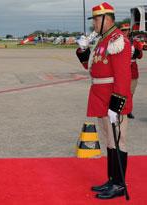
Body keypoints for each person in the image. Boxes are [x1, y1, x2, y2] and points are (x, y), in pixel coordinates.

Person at [76, 2, 132, 199]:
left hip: (113, 97)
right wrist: (83, 50)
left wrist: (116, 105)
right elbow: (90, 66)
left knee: (118, 141)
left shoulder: (118, 40)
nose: (94, 24)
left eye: (96, 19)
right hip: (101, 95)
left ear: (106, 19)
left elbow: (123, 75)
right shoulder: (103, 40)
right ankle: (112, 179)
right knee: (110, 141)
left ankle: (119, 184)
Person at [120, 23, 143, 119]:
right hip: (121, 69)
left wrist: (138, 52)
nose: (125, 32)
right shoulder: (118, 41)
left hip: (132, 69)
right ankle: (120, 109)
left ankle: (128, 110)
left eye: (127, 30)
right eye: (123, 30)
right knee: (121, 91)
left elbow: (140, 56)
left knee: (131, 92)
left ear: (129, 31)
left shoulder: (135, 42)